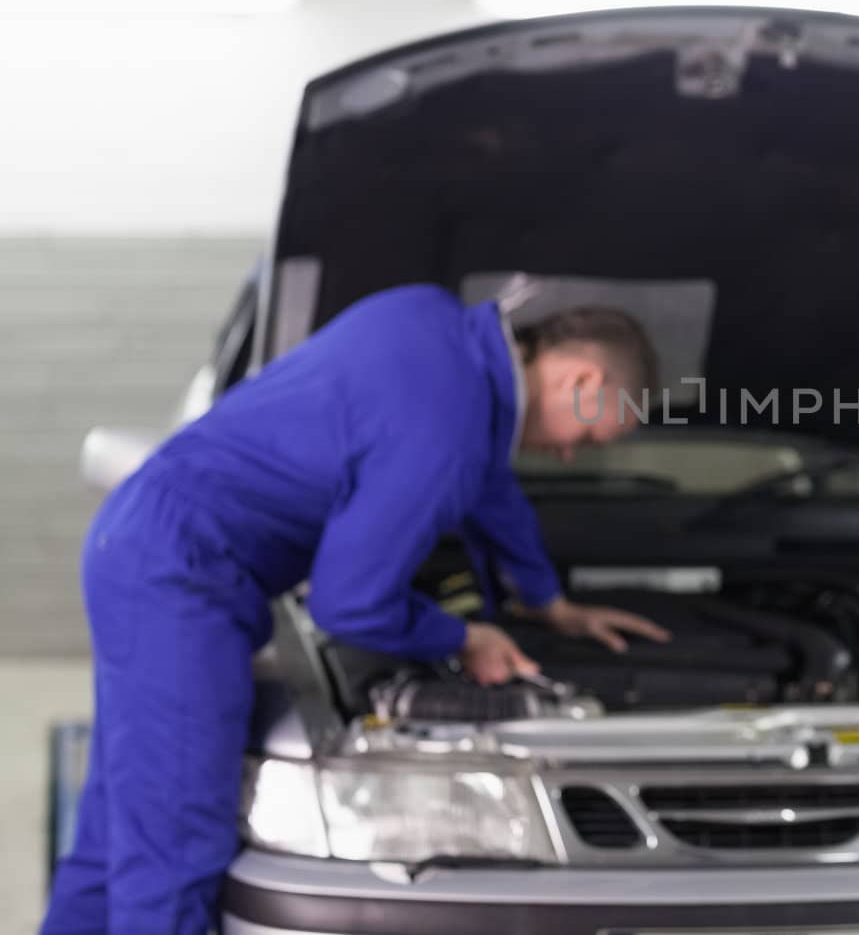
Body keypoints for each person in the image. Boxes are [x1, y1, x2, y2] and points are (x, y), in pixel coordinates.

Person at [42, 284, 672, 935]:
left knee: (119, 832)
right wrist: (459, 636)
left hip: (145, 549)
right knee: (177, 850)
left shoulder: (434, 323)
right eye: (592, 432)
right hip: (182, 581)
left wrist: (551, 603)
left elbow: (492, 489)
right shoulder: (447, 430)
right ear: (585, 378)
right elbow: (350, 604)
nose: (571, 451)